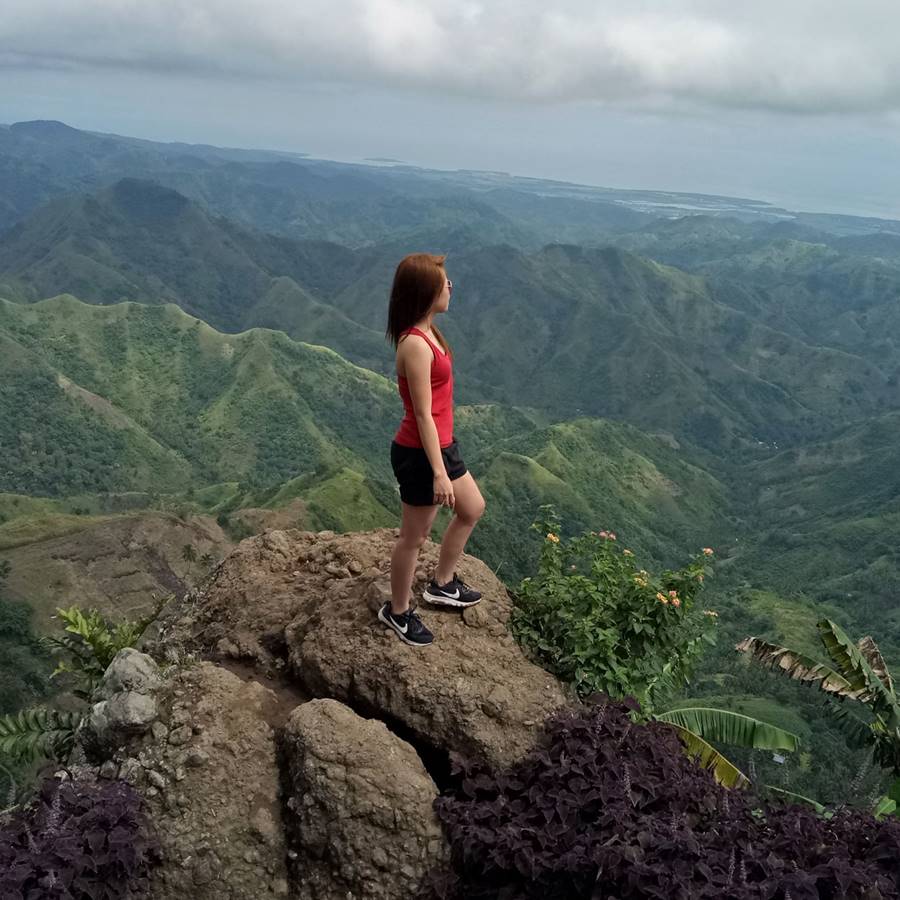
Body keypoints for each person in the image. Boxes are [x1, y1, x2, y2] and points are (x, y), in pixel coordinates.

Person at [380, 253, 486, 646]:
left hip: (442, 445)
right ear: (426, 292)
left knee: (472, 507)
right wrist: (439, 471)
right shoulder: (415, 344)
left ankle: (441, 583)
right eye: (444, 282)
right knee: (414, 537)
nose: (451, 286)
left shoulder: (431, 333)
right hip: (421, 453)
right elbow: (422, 415)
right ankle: (398, 611)